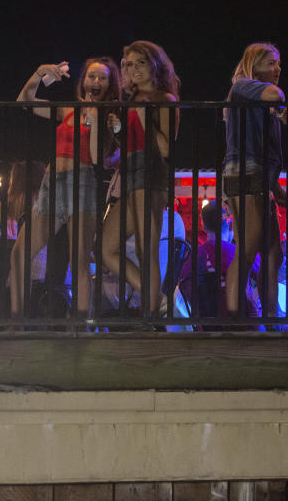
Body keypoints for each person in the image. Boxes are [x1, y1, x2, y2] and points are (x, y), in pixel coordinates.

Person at [9, 58, 119, 320]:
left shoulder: (110, 116)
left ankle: (82, 327)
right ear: (83, 81)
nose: (96, 82)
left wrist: (95, 122)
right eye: (92, 76)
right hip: (52, 181)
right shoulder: (68, 109)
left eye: (102, 78)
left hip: (82, 182)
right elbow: (25, 102)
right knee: (19, 253)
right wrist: (38, 73)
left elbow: (97, 158)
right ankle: (15, 322)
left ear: (110, 85)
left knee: (79, 261)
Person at [100, 41, 180, 319]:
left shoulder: (165, 100)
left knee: (148, 250)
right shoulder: (132, 100)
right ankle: (157, 302)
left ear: (155, 66)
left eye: (140, 63)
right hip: (130, 176)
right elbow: (132, 144)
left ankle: (149, 316)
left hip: (151, 178)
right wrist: (120, 130)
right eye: (129, 64)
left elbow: (167, 148)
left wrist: (144, 120)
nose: (133, 69)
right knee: (105, 249)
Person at [222, 43, 287, 320]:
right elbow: (276, 94)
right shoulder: (242, 85)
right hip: (243, 174)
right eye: (271, 62)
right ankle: (235, 320)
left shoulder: (256, 97)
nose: (277, 69)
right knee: (248, 248)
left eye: (278, 63)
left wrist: (275, 186)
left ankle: (271, 317)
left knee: (274, 253)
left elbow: (269, 150)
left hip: (258, 177)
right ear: (254, 63)